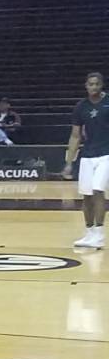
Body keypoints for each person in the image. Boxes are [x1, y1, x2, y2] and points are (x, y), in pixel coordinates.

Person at [67, 71, 109, 251]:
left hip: (106, 154)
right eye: (90, 84)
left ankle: (99, 234)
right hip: (88, 155)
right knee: (86, 195)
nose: (93, 87)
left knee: (98, 190)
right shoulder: (80, 107)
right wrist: (69, 162)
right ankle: (89, 232)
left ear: (101, 85)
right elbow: (75, 135)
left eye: (96, 84)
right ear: (86, 86)